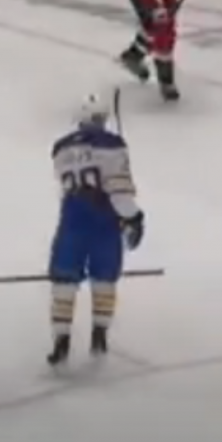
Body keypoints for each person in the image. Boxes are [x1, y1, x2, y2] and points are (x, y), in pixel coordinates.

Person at [47, 92, 145, 366]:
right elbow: (118, 191)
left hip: (72, 217)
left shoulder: (60, 148)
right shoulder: (112, 145)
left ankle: (61, 340)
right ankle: (99, 335)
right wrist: (133, 217)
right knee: (104, 276)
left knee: (64, 278)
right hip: (103, 219)